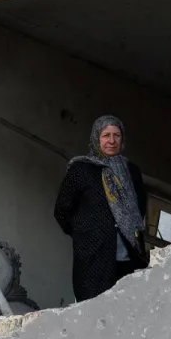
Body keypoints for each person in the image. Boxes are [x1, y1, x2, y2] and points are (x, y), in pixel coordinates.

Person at [54, 115, 150, 302]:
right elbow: (61, 210)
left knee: (127, 307)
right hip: (93, 255)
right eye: (106, 135)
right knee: (93, 309)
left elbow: (140, 208)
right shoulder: (81, 169)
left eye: (117, 135)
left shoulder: (131, 171)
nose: (112, 141)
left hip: (129, 255)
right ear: (96, 138)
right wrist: (86, 233)